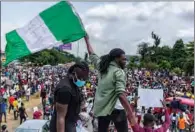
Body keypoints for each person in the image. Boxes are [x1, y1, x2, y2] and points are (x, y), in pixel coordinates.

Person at [85, 35, 135, 132]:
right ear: (116, 59)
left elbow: (91, 54)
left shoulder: (102, 66)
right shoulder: (119, 72)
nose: (125, 61)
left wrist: (87, 40)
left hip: (102, 109)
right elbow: (121, 94)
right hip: (117, 109)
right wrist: (130, 113)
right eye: (124, 59)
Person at [50, 62, 89, 132]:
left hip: (71, 123)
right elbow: (60, 117)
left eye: (84, 78)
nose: (82, 80)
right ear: (74, 74)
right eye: (81, 78)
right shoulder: (65, 89)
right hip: (64, 127)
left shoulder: (74, 84)